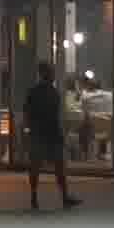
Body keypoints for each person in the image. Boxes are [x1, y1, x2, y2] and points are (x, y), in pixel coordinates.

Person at [20, 59, 83, 211]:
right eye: (51, 72)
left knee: (35, 167)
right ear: (46, 74)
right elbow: (53, 116)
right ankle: (64, 197)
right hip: (50, 134)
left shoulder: (34, 92)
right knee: (59, 167)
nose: (53, 75)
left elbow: (27, 112)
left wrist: (29, 129)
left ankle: (34, 197)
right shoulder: (53, 93)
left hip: (38, 133)